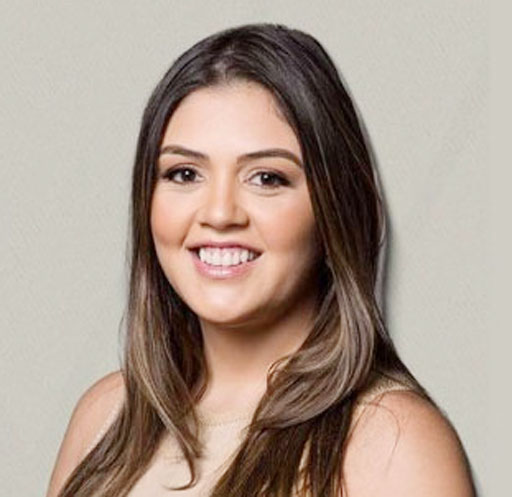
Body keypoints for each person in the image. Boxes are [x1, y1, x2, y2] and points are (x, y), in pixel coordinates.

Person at [46, 23, 476, 497]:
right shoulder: (104, 417)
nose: (219, 213)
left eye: (267, 178)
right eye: (184, 173)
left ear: (335, 207)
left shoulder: (394, 446)